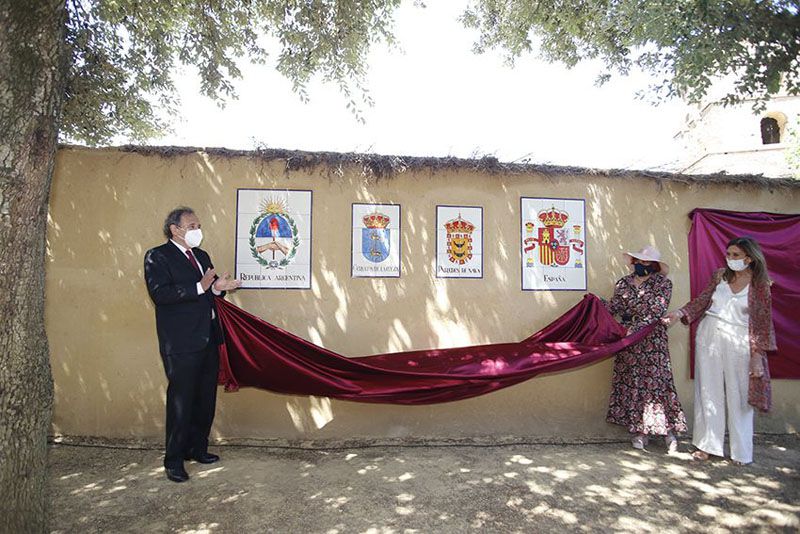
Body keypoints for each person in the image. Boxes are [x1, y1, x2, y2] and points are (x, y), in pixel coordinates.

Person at [144, 207, 241, 482]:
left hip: (208, 337)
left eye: (198, 225)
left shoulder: (201, 255)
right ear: (175, 229)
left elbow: (208, 295)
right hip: (181, 342)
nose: (197, 230)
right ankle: (174, 460)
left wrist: (219, 288)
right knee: (181, 401)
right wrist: (200, 286)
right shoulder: (157, 256)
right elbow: (160, 294)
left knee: (205, 398)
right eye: (192, 226)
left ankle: (197, 449)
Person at [664, 237, 775, 465]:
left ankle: (741, 452)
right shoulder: (720, 276)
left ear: (749, 258)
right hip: (709, 335)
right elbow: (703, 300)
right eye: (728, 254)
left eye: (735, 255)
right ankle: (707, 445)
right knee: (708, 391)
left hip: (740, 340)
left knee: (740, 395)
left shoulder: (760, 284)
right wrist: (679, 313)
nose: (730, 259)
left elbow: (763, 321)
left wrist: (757, 355)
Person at [605, 245, 687, 452]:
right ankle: (639, 432)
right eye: (639, 261)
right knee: (633, 382)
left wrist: (634, 327)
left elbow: (656, 310)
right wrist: (594, 305)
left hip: (652, 339)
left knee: (656, 383)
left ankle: (668, 432)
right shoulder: (623, 283)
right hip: (628, 341)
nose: (642, 264)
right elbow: (614, 307)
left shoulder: (663, 284)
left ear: (654, 265)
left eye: (647, 261)